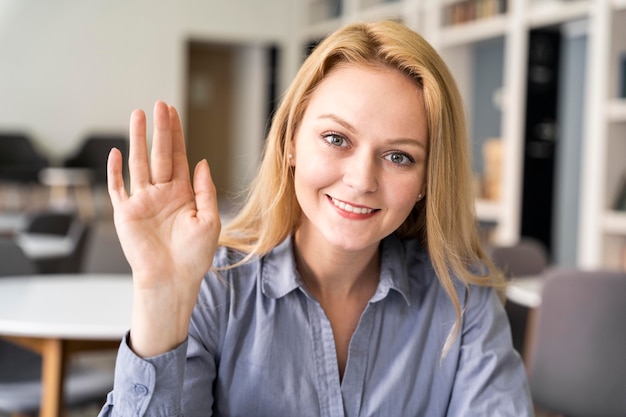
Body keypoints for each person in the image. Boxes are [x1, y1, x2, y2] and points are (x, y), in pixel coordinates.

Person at [99, 20, 533, 416]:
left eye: (399, 156)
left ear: (427, 179)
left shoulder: (464, 299)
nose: (362, 180)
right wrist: (160, 300)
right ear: (290, 142)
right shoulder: (215, 285)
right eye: (336, 138)